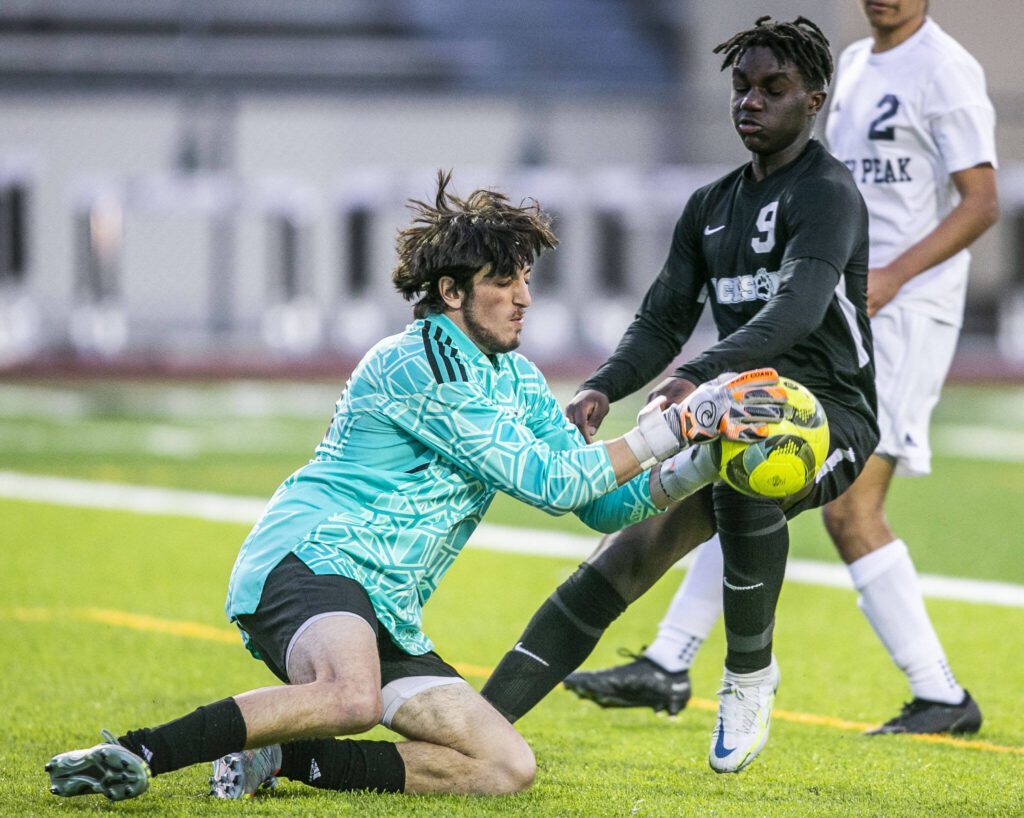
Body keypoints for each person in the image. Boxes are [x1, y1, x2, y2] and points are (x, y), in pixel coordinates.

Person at [44, 172, 781, 803]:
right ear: (451, 290)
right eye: (504, 281)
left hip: (384, 607)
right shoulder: (422, 362)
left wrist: (703, 460)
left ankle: (285, 757)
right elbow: (553, 482)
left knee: (503, 766)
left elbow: (599, 504)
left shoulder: (514, 379)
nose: (524, 297)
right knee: (352, 698)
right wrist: (683, 420)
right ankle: (137, 753)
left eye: (527, 279)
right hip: (312, 562)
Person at [563, 0, 998, 737]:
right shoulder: (854, 65)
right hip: (829, 299)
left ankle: (942, 694)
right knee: (747, 464)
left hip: (902, 309)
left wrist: (889, 276)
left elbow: (981, 200)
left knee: (846, 505)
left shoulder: (948, 70)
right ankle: (670, 660)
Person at [482, 17, 880, 775]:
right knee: (626, 554)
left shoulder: (828, 193)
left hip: (832, 416)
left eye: (773, 89)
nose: (750, 103)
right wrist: (603, 387)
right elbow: (664, 317)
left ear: (814, 100)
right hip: (737, 402)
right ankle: (479, 721)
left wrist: (697, 376)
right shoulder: (710, 206)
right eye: (741, 88)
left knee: (749, 446)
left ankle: (749, 674)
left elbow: (795, 309)